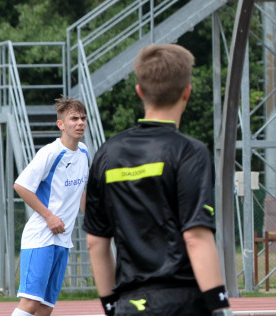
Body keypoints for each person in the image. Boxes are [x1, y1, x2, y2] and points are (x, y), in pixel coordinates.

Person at [83, 44, 232, 316]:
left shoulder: (107, 153)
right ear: (187, 92)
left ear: (139, 91)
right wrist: (219, 305)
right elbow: (196, 237)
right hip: (183, 303)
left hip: (129, 304)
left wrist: (111, 305)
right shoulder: (190, 152)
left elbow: (96, 241)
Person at [12, 97, 89, 316]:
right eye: (74, 118)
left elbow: (80, 191)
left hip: (62, 240)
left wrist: (95, 221)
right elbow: (21, 186)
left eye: (83, 118)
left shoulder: (84, 152)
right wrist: (49, 216)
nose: (80, 122)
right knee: (30, 303)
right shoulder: (51, 153)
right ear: (60, 124)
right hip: (41, 238)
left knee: (46, 307)